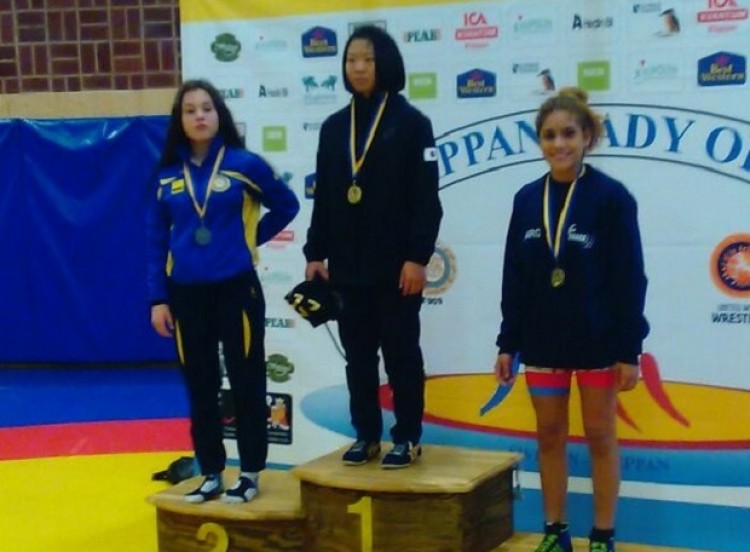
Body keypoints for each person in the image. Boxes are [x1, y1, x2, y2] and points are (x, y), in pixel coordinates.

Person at [493, 87, 649, 552]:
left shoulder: (612, 198)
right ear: (539, 141)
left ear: (587, 138)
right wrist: (507, 343)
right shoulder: (526, 199)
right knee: (548, 436)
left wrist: (629, 350)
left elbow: (630, 278)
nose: (558, 144)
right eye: (549, 135)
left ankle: (602, 535)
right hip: (542, 342)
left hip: (599, 342)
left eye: (568, 134)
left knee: (600, 436)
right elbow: (514, 277)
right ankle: (555, 530)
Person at [147, 79, 299, 503]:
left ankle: (249, 472)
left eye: (207, 108)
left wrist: (246, 241)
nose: (199, 115)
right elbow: (155, 240)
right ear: (180, 120)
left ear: (219, 115)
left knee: (247, 381)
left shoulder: (244, 165)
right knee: (200, 386)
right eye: (190, 110)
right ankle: (211, 471)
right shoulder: (166, 176)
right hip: (186, 295)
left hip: (236, 291)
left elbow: (287, 205)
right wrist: (158, 298)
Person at [303, 25, 443, 469]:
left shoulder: (413, 124)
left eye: (367, 59)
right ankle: (366, 434)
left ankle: (408, 436)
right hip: (347, 268)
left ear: (386, 63)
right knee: (358, 360)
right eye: (351, 60)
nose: (359, 67)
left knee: (402, 357)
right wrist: (314, 253)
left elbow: (427, 200)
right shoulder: (333, 128)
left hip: (397, 269)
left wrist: (417, 258)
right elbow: (325, 197)